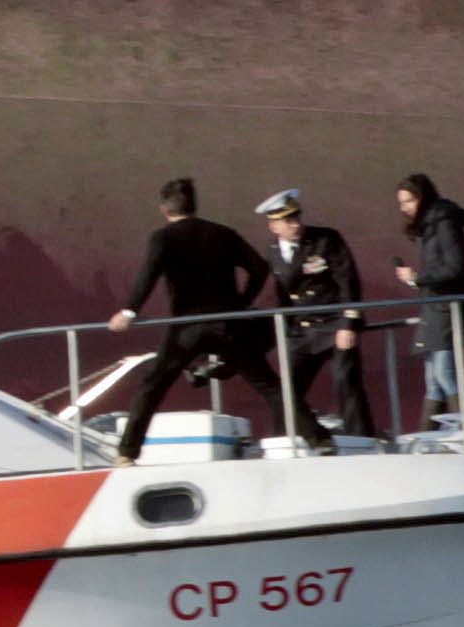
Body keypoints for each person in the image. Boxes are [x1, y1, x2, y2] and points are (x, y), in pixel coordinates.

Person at [106, 176, 300, 461]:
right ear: (194, 205)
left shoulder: (163, 238)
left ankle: (127, 453)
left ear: (164, 209)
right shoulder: (224, 234)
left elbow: (148, 275)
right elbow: (259, 269)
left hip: (187, 328)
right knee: (269, 385)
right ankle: (309, 439)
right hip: (227, 324)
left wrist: (129, 311)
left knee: (153, 384)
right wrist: (240, 304)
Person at [255, 188, 380, 444]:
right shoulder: (272, 252)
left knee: (347, 382)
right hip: (302, 331)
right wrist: (285, 333)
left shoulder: (325, 240)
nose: (296, 224)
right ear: (273, 226)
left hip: (334, 325)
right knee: (287, 391)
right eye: (288, 220)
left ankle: (361, 440)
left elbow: (348, 282)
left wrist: (348, 323)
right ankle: (286, 440)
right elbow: (282, 296)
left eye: (297, 217)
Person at [394, 171, 464, 425]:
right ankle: (428, 437)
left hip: (447, 307)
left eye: (409, 201)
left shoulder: (443, 220)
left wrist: (418, 276)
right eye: (401, 203)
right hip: (435, 307)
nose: (405, 208)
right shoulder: (430, 224)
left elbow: (455, 267)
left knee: (443, 373)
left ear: (422, 197)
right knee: (432, 381)